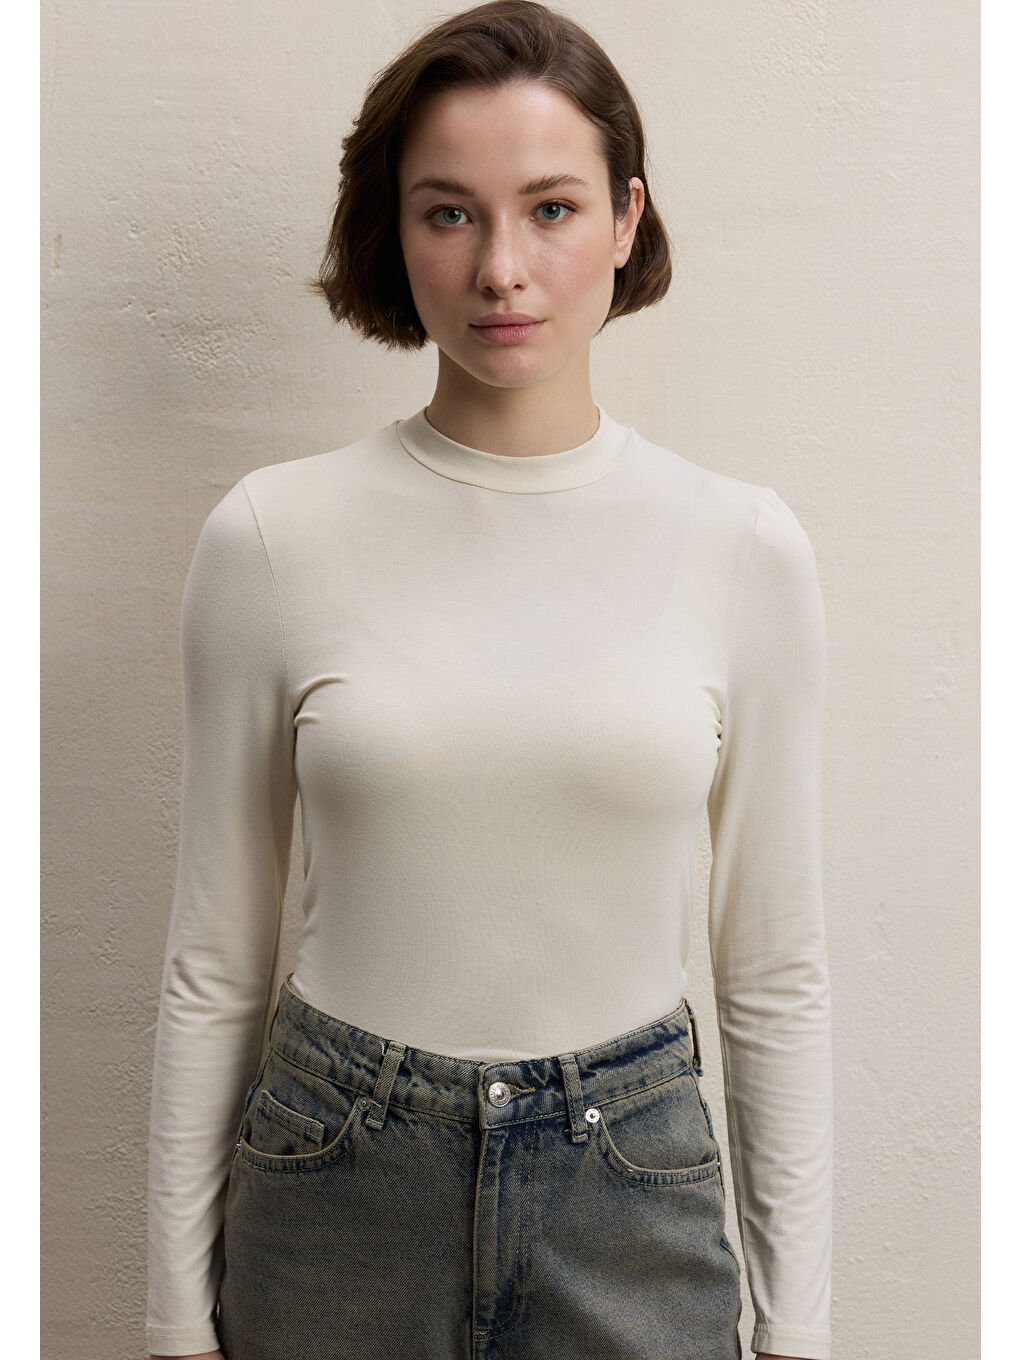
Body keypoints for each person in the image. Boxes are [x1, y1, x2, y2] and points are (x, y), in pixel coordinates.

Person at [145, 3, 832, 1359]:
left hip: (632, 1191)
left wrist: (798, 1327)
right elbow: (213, 960)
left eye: (552, 209)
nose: (501, 269)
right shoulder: (274, 536)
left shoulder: (743, 547)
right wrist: (174, 1321)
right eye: (449, 213)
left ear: (627, 218)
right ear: (395, 231)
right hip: (336, 1182)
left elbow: (774, 971)